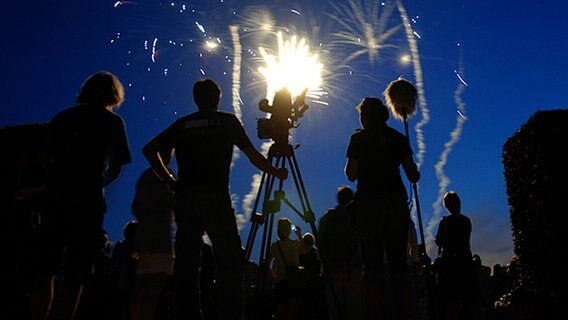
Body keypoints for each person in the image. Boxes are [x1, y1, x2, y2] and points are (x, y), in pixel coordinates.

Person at [142, 78, 288, 320]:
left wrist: (169, 180)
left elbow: (149, 149)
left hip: (185, 198)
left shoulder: (183, 124)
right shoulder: (227, 122)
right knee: (229, 262)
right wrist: (276, 172)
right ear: (218, 97)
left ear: (196, 98)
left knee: (186, 266)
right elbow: (253, 156)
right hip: (214, 198)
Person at [31, 71, 131, 320]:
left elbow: (43, 155)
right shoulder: (112, 122)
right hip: (88, 200)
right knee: (76, 269)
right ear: (114, 94)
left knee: (46, 268)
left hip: (55, 196)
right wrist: (99, 182)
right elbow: (118, 165)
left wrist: (55, 176)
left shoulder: (63, 117)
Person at [344, 97, 420, 320]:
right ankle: (405, 312)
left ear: (365, 116)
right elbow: (412, 175)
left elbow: (351, 174)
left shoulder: (358, 138)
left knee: (373, 265)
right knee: (399, 264)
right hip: (396, 203)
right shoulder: (398, 138)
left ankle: (376, 313)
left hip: (370, 205)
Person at [129, 150, 176, 320]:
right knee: (153, 290)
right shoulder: (168, 177)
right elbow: (175, 204)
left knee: (140, 287)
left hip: (143, 239)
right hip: (161, 239)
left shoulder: (144, 177)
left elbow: (135, 208)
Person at [435, 191, 483, 320]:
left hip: (450, 264)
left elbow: (440, 241)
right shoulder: (466, 220)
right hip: (465, 261)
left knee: (451, 301)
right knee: (471, 299)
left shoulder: (445, 222)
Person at [318, 185, 364, 320]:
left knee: (335, 310)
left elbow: (320, 244)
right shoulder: (356, 218)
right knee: (355, 310)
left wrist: (332, 264)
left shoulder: (326, 219)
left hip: (333, 271)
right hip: (353, 270)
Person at [268, 217, 307, 320]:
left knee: (282, 313)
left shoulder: (275, 246)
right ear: (289, 230)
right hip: (294, 281)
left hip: (280, 282)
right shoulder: (294, 244)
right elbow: (304, 251)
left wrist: (273, 276)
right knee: (293, 313)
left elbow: (267, 263)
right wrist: (299, 234)